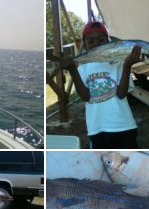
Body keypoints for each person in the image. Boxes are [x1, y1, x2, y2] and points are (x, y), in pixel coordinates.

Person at [61, 21, 143, 149]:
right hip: (97, 129)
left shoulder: (119, 62)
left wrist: (127, 65)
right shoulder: (82, 68)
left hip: (124, 126)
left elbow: (121, 94)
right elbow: (85, 97)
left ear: (108, 42)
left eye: (101, 40)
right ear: (85, 44)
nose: (96, 44)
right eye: (90, 41)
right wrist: (73, 70)